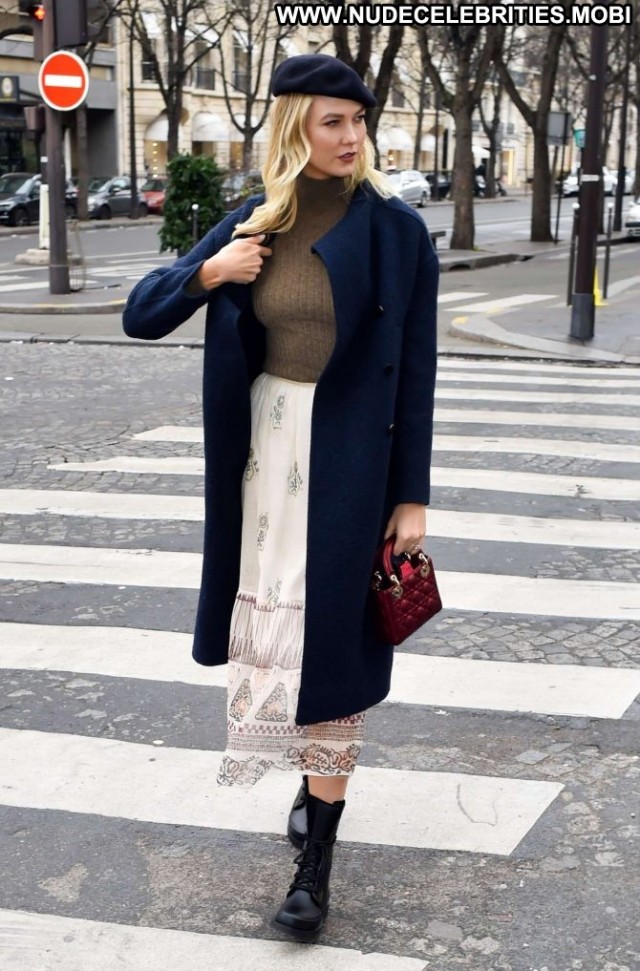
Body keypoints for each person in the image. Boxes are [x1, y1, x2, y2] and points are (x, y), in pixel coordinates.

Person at [122, 52, 438, 942]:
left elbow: (417, 372)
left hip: (351, 465)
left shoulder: (397, 232)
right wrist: (210, 273)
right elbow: (140, 314)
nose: (351, 136)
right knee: (285, 637)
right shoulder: (254, 222)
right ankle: (309, 784)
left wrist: (410, 496)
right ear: (296, 127)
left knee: (335, 644)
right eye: (332, 121)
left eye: (359, 121)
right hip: (264, 461)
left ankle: (315, 865)